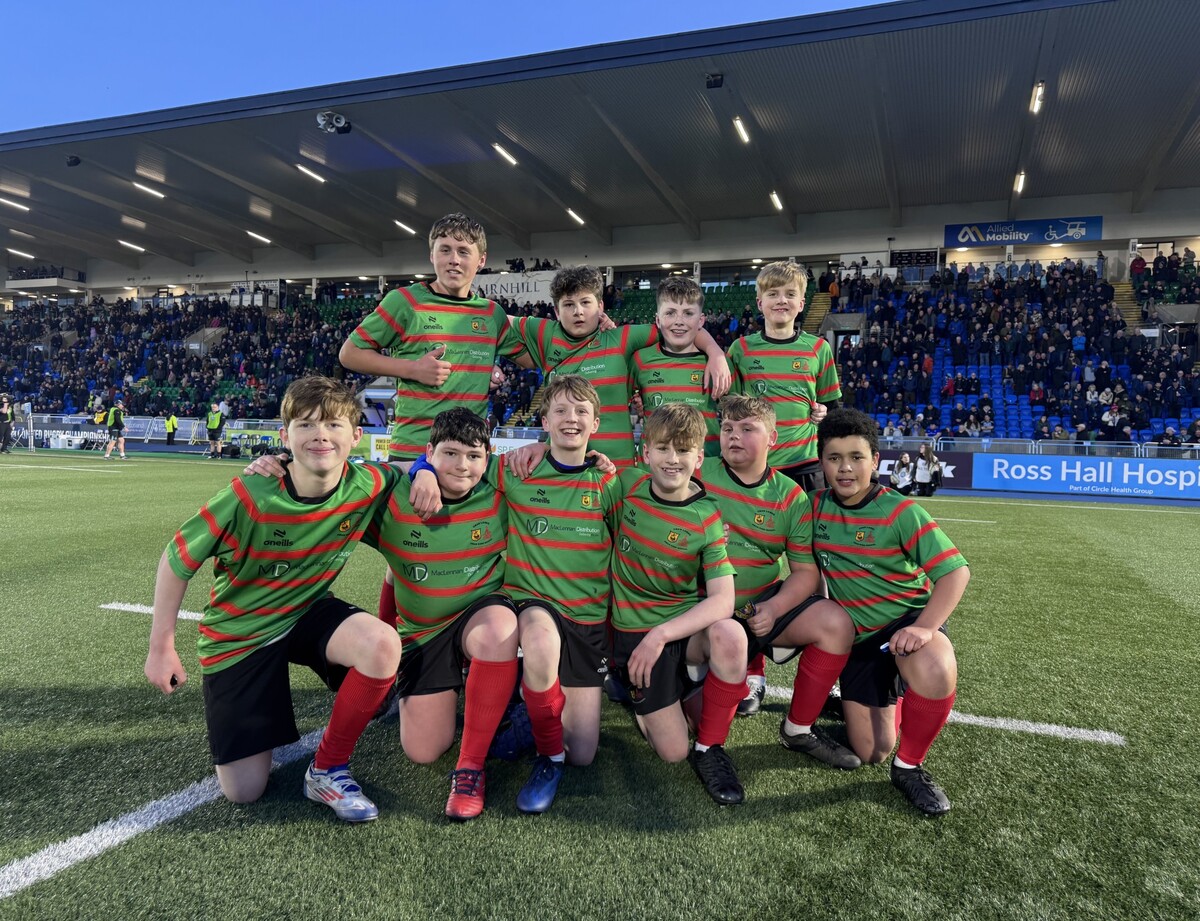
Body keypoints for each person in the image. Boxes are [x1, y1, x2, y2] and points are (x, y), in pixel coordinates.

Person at [144, 376, 403, 822]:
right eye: (305, 426)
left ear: (357, 437)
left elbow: (415, 468)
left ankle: (327, 768)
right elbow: (177, 559)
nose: (320, 435)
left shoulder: (371, 482)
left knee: (382, 645)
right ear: (284, 437)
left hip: (305, 610)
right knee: (245, 791)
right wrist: (161, 647)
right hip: (240, 632)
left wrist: (424, 477)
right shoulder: (251, 492)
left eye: (334, 425)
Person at [812, 408, 970, 815]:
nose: (845, 468)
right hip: (859, 640)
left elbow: (955, 574)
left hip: (905, 623)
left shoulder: (901, 511)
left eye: (856, 457)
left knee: (935, 665)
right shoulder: (812, 509)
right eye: (834, 458)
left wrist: (925, 628)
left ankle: (911, 767)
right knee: (872, 750)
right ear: (821, 462)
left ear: (875, 461)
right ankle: (883, 696)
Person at [482, 376, 622, 813]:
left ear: (596, 423)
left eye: (581, 411)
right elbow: (458, 465)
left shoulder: (608, 483)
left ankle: (528, 706)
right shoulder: (517, 468)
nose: (571, 419)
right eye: (560, 410)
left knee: (585, 753)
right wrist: (425, 471)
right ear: (544, 421)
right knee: (540, 642)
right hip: (532, 600)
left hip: (587, 617)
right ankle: (549, 756)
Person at [704, 395, 860, 769]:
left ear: (773, 438)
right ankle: (705, 739)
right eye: (727, 428)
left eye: (747, 429)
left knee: (835, 623)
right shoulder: (697, 472)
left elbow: (805, 572)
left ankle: (798, 728)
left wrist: (773, 609)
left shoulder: (790, 496)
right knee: (689, 725)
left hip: (758, 606)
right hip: (699, 612)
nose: (734, 437)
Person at [381, 408, 520, 820]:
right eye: (450, 454)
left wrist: (598, 459)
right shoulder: (393, 493)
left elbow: (555, 462)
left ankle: (471, 766)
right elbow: (340, 474)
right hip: (424, 631)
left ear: (488, 457)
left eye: (474, 456)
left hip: (478, 613)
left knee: (499, 630)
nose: (463, 466)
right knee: (423, 751)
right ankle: (403, 673)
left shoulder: (500, 489)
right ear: (429, 451)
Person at [608, 402, 745, 805]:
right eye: (664, 449)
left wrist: (661, 634)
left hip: (676, 629)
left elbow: (724, 599)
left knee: (731, 636)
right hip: (631, 631)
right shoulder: (626, 484)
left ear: (699, 457)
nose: (673, 459)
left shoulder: (706, 516)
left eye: (684, 450)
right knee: (671, 751)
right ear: (645, 452)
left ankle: (712, 748)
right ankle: (644, 685)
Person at [338, 213, 528, 462]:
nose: (453, 260)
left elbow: (530, 358)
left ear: (481, 260)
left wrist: (592, 324)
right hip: (414, 452)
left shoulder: (492, 313)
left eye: (463, 251)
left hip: (471, 454)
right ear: (432, 255)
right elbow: (349, 354)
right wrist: (413, 369)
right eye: (445, 250)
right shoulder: (405, 302)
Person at [510, 266, 729, 468]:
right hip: (565, 464)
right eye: (569, 304)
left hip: (619, 471)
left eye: (586, 303)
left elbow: (676, 326)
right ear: (557, 312)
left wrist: (715, 352)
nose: (578, 311)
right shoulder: (545, 334)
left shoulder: (622, 338)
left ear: (600, 307)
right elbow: (494, 320)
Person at [727, 261, 840, 491]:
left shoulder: (819, 348)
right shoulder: (740, 349)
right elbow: (731, 408)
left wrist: (824, 412)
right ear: (760, 302)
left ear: (801, 303)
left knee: (808, 526)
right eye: (773, 294)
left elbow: (833, 408)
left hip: (806, 462)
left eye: (790, 294)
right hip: (757, 461)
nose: (781, 300)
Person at [631, 276, 728, 457]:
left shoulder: (718, 364)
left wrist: (716, 352)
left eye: (688, 313)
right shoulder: (640, 360)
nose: (679, 321)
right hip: (654, 473)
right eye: (670, 313)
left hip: (705, 470)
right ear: (658, 320)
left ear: (701, 321)